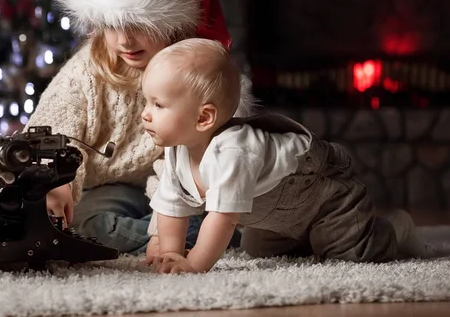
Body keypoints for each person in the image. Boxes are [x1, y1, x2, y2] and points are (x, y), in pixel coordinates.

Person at [24, 0, 252, 255]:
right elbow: (56, 130)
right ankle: (212, 238)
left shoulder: (193, 73)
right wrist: (56, 184)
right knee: (88, 221)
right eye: (113, 25)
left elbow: (191, 164)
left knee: (208, 209)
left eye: (140, 25)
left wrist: (165, 227)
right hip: (112, 187)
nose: (125, 40)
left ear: (172, 22)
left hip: (183, 187)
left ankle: (210, 234)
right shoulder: (88, 70)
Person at [141, 38, 430, 274]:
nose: (145, 113)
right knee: (257, 250)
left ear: (204, 117)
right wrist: (170, 253)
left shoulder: (232, 151)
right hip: (277, 219)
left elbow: (223, 218)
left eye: (158, 105)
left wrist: (193, 265)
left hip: (325, 199)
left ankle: (395, 227)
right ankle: (312, 240)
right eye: (146, 102)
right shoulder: (178, 150)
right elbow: (171, 206)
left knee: (352, 255)